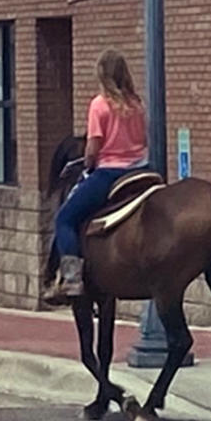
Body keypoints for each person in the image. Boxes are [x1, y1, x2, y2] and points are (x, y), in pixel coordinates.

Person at [42, 50, 149, 305]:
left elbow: (93, 148)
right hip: (141, 171)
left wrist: (88, 163)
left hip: (110, 172)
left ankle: (71, 278)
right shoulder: (137, 104)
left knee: (65, 218)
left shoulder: (99, 105)